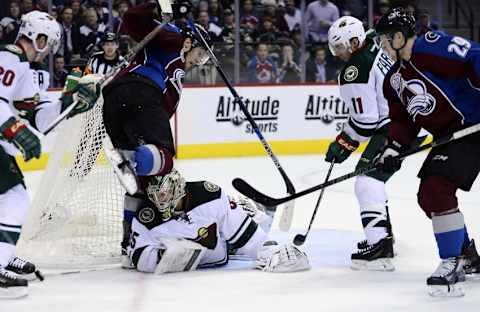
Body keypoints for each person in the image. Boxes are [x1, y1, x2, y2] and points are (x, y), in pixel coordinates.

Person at [375, 7, 480, 297]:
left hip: (474, 125)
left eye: (385, 40)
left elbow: (475, 56)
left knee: (436, 189)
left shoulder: (431, 47)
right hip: (451, 136)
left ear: (399, 37)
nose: (382, 47)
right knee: (429, 197)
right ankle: (464, 254)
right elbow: (402, 121)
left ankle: (452, 261)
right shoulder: (393, 80)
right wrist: (393, 147)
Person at [100, 1, 212, 267]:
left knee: (140, 187)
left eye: (205, 58)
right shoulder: (171, 37)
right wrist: (162, 4)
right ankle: (133, 160)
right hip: (139, 89)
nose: (200, 60)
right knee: (164, 158)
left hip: (116, 105)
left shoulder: (178, 78)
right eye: (201, 53)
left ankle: (130, 242)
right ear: (189, 43)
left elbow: (162, 115)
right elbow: (131, 19)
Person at [0, 11, 100, 298]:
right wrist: (14, 129)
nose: (50, 50)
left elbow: (41, 119)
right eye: (49, 42)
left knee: (10, 199)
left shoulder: (28, 71)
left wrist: (71, 103)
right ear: (38, 37)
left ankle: (4, 255)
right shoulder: (10, 57)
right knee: (14, 199)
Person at [325, 16, 402, 271]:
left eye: (340, 48)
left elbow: (366, 123)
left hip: (394, 126)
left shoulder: (354, 71)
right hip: (405, 118)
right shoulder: (372, 43)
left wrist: (343, 144)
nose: (337, 54)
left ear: (354, 42)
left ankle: (380, 246)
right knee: (374, 179)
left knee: (367, 181)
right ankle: (384, 235)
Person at [126, 169, 310, 274]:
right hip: (219, 250)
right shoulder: (146, 216)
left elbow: (248, 237)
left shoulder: (209, 196)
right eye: (156, 196)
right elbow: (139, 257)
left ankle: (258, 211)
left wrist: (269, 250)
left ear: (176, 188)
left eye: (164, 194)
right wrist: (164, 256)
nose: (160, 201)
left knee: (245, 221)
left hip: (226, 240)